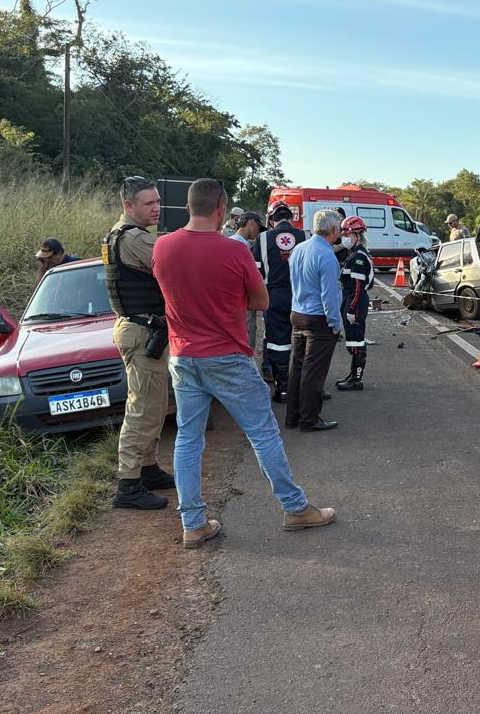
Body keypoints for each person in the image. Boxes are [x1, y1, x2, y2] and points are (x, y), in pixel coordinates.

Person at [152, 178, 336, 547]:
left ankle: (194, 523)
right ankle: (295, 507)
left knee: (188, 439)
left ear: (188, 208)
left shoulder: (162, 247)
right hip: (227, 356)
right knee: (263, 432)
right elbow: (261, 301)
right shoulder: (233, 251)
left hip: (183, 356)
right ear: (221, 210)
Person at [103, 176, 176, 510]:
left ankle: (147, 468)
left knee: (155, 403)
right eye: (149, 203)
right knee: (143, 406)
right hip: (142, 331)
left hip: (144, 330)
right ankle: (128, 483)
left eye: (158, 201)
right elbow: (174, 265)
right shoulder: (133, 238)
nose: (157, 208)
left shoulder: (127, 234)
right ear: (128, 205)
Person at [286, 209, 343, 431]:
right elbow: (329, 295)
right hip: (318, 318)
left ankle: (293, 416)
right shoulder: (327, 255)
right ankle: (309, 419)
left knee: (297, 367)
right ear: (333, 230)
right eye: (338, 227)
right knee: (314, 372)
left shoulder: (299, 249)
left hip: (297, 313)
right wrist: (335, 323)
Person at [253, 201, 306, 402]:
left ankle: (282, 389)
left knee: (277, 342)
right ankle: (302, 385)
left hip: (273, 296)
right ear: (290, 218)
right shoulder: (304, 236)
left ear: (271, 219)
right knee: (303, 340)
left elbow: (255, 271)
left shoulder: (263, 238)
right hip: (300, 295)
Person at [335, 216, 373, 391]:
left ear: (358, 235)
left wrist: (351, 308)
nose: (345, 238)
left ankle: (357, 379)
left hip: (355, 301)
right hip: (351, 299)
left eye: (348, 234)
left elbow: (358, 286)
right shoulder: (355, 253)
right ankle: (353, 374)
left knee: (357, 342)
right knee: (352, 341)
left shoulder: (358, 257)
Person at [233, 212, 266, 350]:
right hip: (243, 296)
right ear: (251, 222)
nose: (259, 231)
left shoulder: (229, 240)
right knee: (247, 332)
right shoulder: (244, 246)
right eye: (259, 226)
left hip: (232, 297)